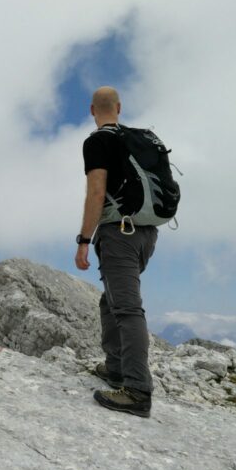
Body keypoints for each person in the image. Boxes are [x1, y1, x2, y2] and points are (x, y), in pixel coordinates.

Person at [74, 86, 157, 418]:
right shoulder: (141, 140)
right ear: (119, 108)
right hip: (147, 234)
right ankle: (116, 368)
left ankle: (137, 390)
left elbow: (96, 194)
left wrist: (83, 240)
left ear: (93, 110)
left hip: (119, 233)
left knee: (126, 308)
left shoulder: (98, 141)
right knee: (111, 299)